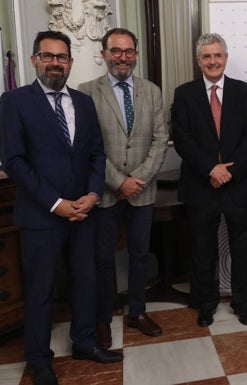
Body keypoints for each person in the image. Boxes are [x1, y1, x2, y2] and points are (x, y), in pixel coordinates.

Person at [0, 30, 123, 385]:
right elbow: (14, 161)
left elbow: (97, 154)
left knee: (85, 282)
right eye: (48, 56)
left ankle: (84, 342)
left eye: (62, 57)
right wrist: (56, 204)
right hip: (42, 215)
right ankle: (39, 358)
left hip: (84, 213)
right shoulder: (15, 101)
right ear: (35, 59)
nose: (56, 63)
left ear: (70, 61)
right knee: (41, 290)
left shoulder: (83, 102)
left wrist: (93, 195)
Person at [78, 28, 169, 348]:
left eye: (129, 51)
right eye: (116, 51)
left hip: (142, 191)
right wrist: (118, 181)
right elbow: (88, 145)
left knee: (140, 255)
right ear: (104, 54)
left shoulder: (152, 91)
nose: (123, 57)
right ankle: (103, 317)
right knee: (103, 258)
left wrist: (138, 180)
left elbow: (160, 141)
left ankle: (137, 312)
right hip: (104, 191)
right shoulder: (86, 92)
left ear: (136, 54)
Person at [171, 33, 247, 327]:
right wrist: (212, 169)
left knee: (242, 249)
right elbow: (183, 140)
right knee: (202, 250)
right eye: (207, 56)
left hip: (240, 184)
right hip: (201, 185)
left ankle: (242, 303)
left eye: (218, 55)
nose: (213, 61)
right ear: (198, 60)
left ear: (226, 58)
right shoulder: (183, 94)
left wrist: (229, 172)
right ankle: (206, 304)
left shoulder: (244, 92)